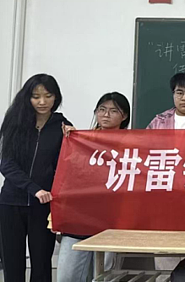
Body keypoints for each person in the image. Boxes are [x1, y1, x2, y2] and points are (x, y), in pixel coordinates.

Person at [0, 74, 72, 282]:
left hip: (44, 205)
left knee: (41, 264)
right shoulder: (15, 122)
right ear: (27, 97)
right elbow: (7, 164)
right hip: (11, 202)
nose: (42, 102)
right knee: (12, 263)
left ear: (56, 97)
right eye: (36, 96)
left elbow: (68, 163)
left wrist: (73, 138)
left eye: (48, 96)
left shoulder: (62, 125)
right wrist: (34, 189)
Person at [57, 93, 130, 282]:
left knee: (102, 277)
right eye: (102, 110)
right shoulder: (81, 140)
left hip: (110, 220)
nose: (106, 115)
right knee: (66, 277)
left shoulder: (131, 144)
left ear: (124, 116)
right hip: (78, 218)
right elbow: (68, 176)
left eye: (113, 111)